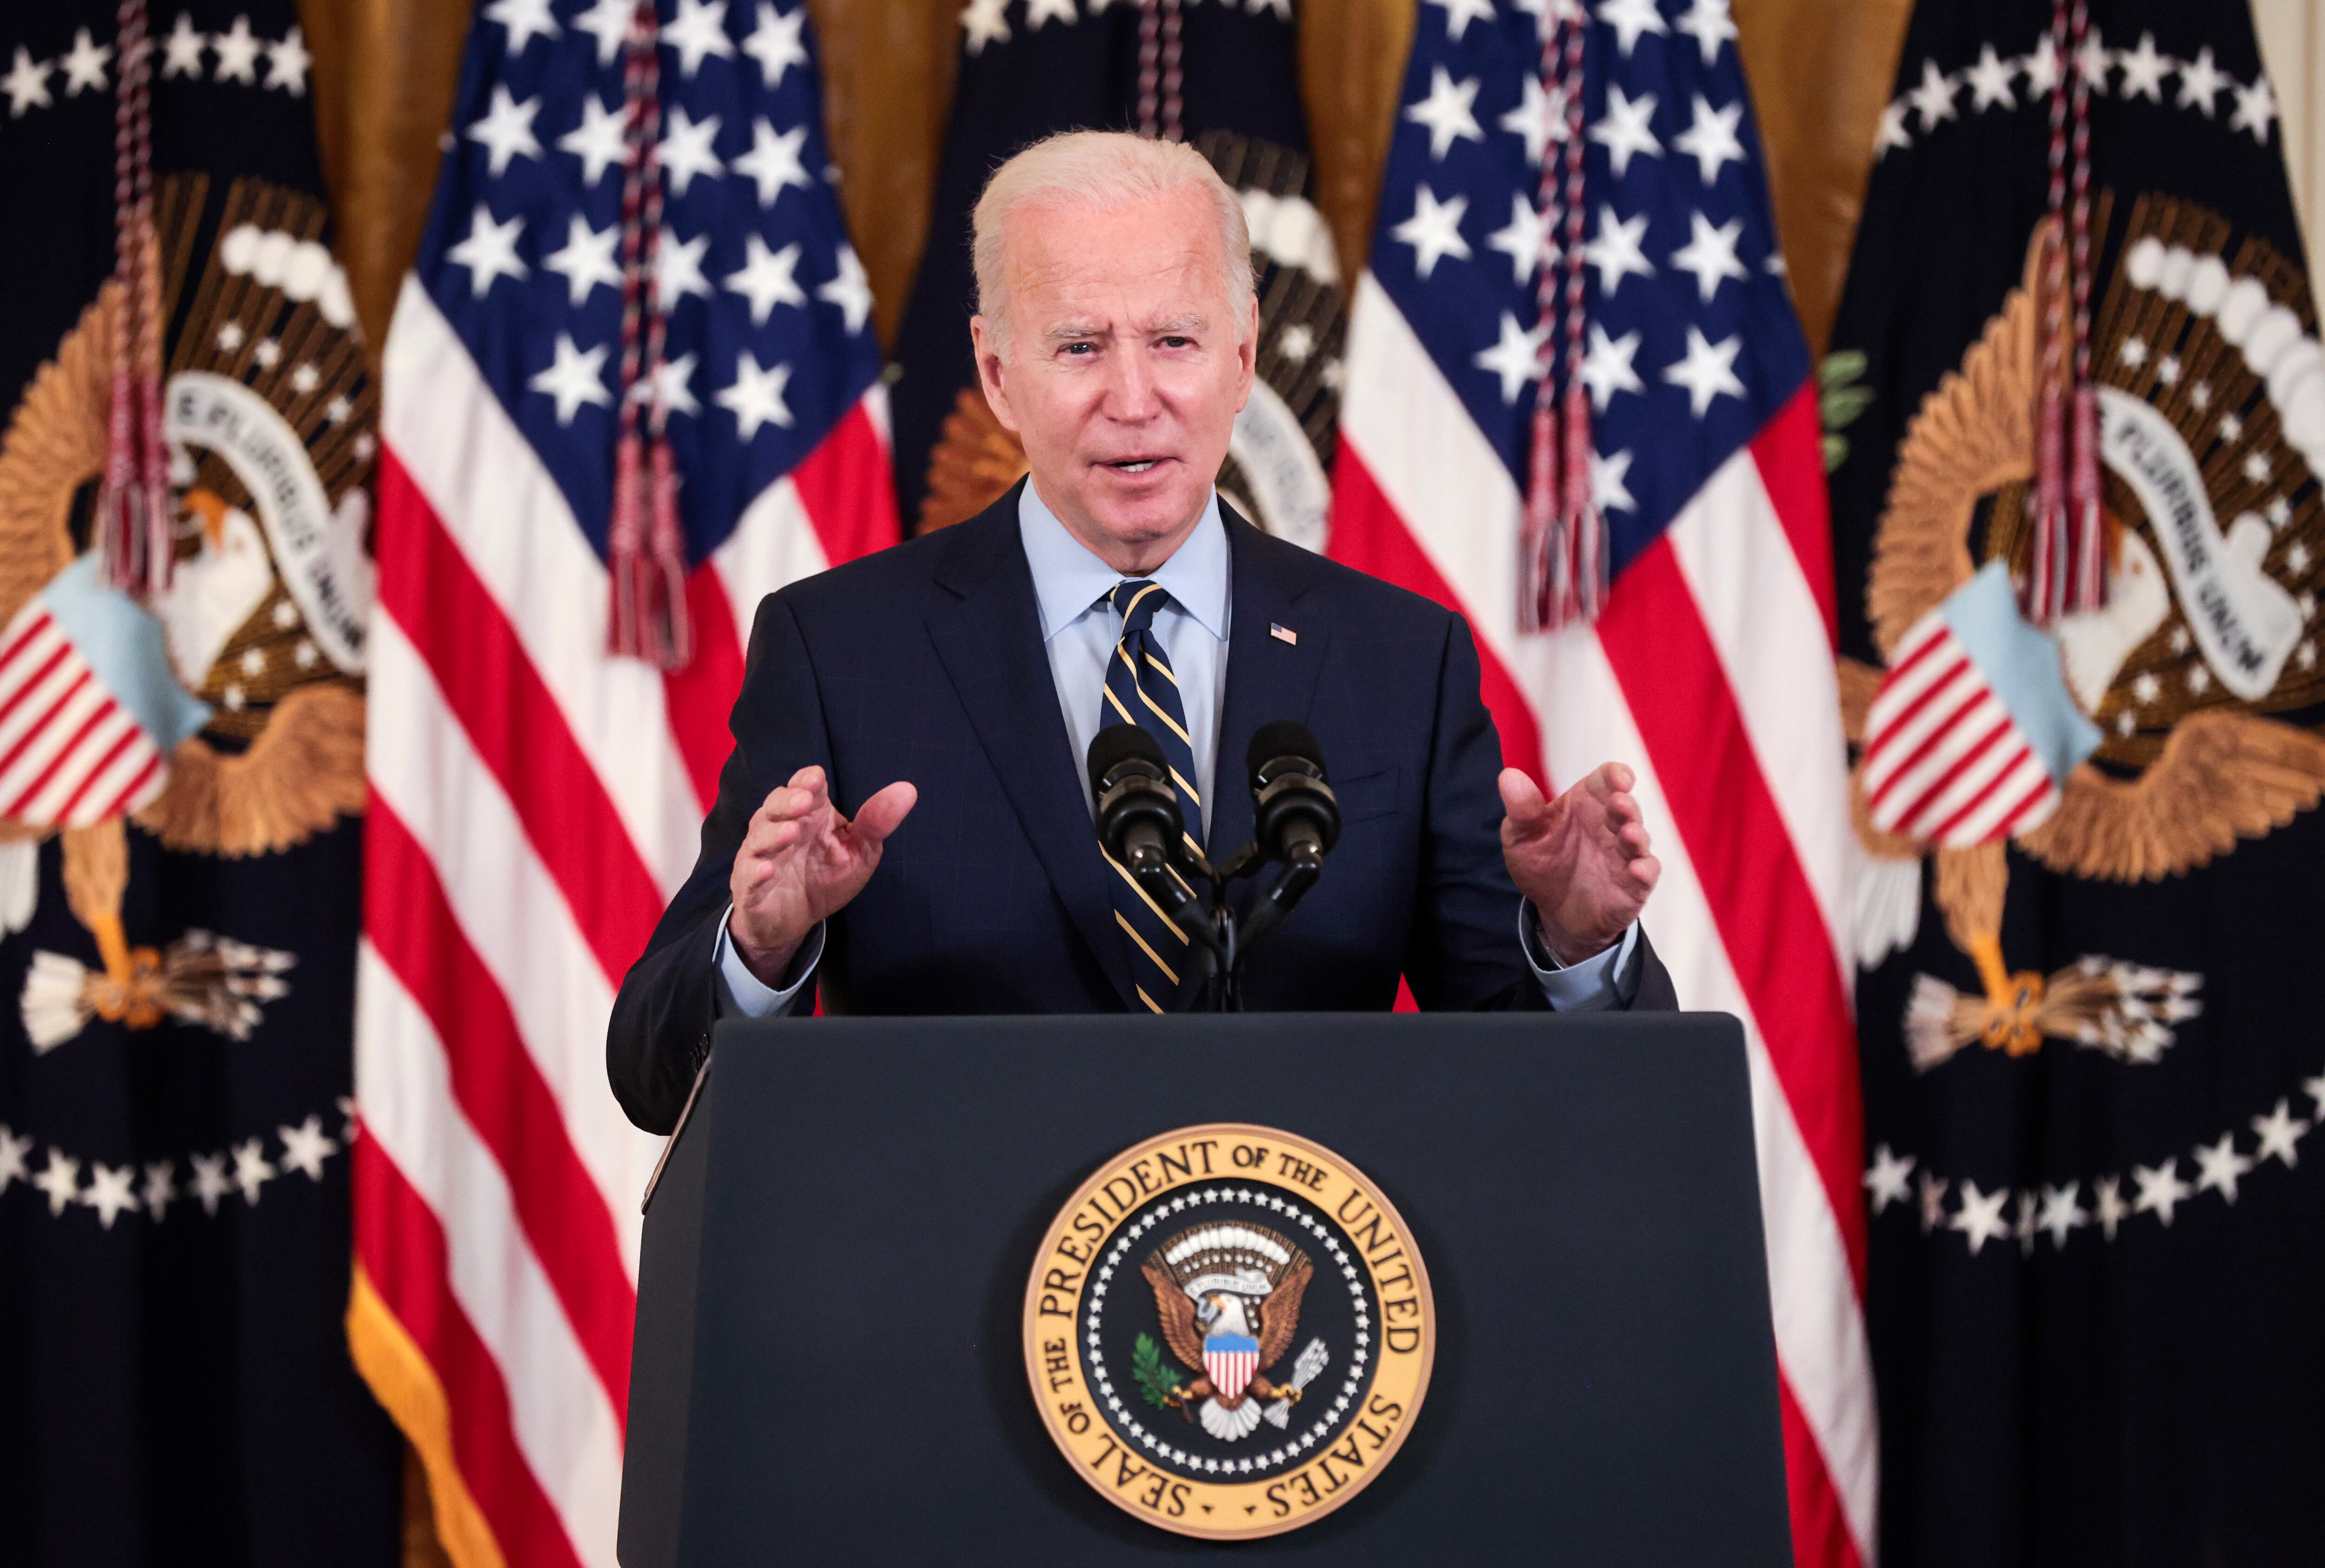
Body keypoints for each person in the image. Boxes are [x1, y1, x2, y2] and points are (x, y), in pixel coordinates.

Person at [608, 131, 1673, 1135]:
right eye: (1079, 346)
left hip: (1297, 1254)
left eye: (1174, 341)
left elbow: (1529, 1085)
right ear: (997, 374)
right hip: (961, 1256)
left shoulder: (1400, 660)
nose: (1133, 398)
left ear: (1241, 357)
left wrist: (1574, 945)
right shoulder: (841, 651)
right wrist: (762, 945)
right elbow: (654, 1080)